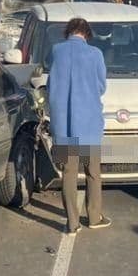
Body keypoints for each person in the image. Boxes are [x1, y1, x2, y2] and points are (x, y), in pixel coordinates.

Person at [46, 17, 110, 234]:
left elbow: (49, 83)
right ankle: (94, 216)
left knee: (69, 174)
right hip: (89, 123)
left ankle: (72, 223)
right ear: (86, 34)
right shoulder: (95, 55)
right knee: (93, 172)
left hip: (64, 125)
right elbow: (101, 86)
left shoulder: (56, 51)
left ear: (69, 32)